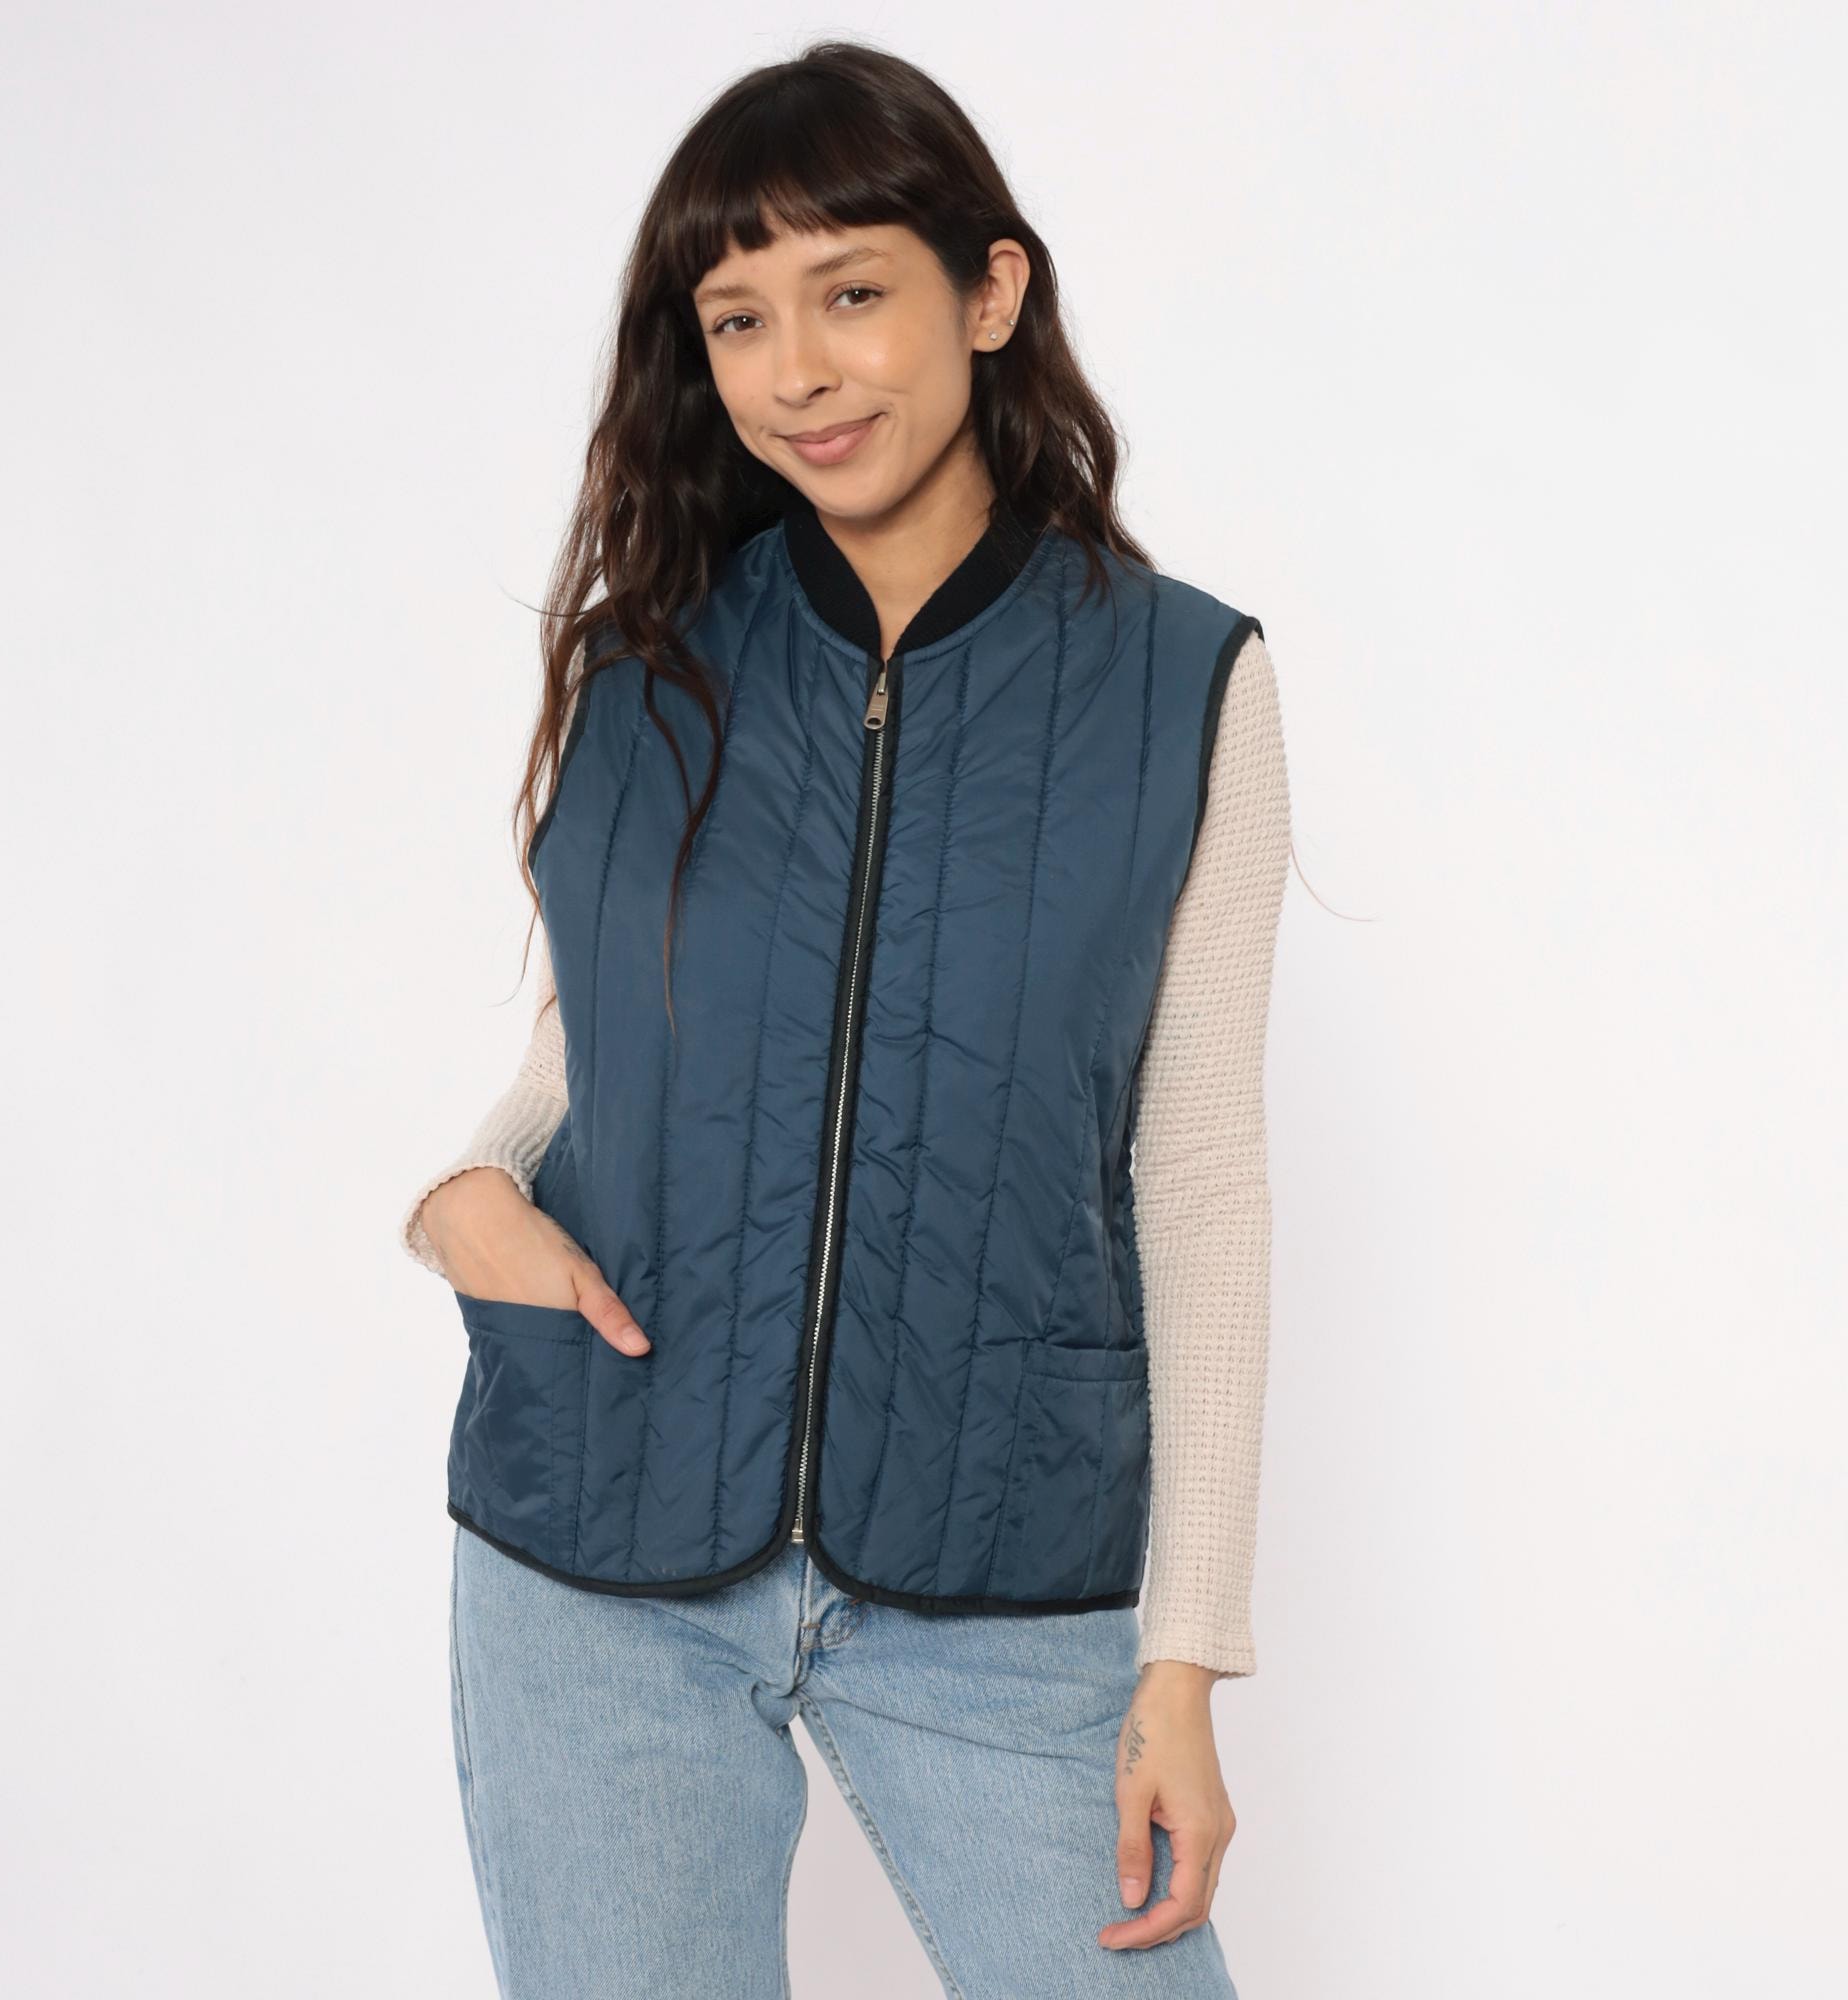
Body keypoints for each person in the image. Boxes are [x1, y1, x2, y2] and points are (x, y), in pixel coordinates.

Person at [399, 40, 1291, 2000]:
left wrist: (1184, 1655)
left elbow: (1200, 1165)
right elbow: (587, 1046)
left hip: (998, 1570)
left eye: (852, 292)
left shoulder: (1177, 686)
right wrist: (463, 1193)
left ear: (989, 293)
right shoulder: (650, 663)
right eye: (739, 319)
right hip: (600, 1537)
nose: (796, 370)